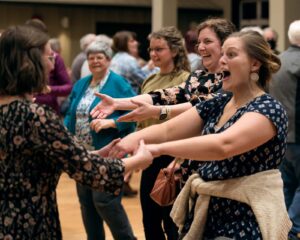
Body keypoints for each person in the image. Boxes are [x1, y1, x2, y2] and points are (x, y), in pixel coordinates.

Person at [108, 30, 291, 239]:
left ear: (255, 64)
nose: (222, 61)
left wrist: (158, 149)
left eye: (231, 55)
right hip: (207, 213)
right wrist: (124, 144)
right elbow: (168, 129)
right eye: (222, 54)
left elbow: (222, 145)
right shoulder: (219, 102)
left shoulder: (268, 108)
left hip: (245, 220)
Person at [0, 25, 152, 239]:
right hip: (29, 223)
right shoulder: (35, 116)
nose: (53, 65)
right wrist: (136, 161)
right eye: (49, 57)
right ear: (29, 63)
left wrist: (96, 154)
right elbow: (84, 168)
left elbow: (49, 160)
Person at [90, 18, 235, 123]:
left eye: (207, 41)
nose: (200, 47)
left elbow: (200, 106)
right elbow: (162, 96)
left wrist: (156, 111)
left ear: (226, 44)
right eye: (199, 42)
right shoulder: (198, 76)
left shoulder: (233, 80)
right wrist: (116, 103)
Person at [64, 40, 137, 240]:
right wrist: (64, 132)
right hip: (82, 153)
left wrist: (112, 123)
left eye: (99, 57)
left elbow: (134, 112)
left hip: (109, 151)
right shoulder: (81, 83)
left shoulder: (118, 83)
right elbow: (71, 113)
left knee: (105, 202)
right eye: (91, 57)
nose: (95, 61)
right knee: (86, 203)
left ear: (108, 60)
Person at [135, 26, 190, 240]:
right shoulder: (149, 80)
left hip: (173, 156)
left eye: (159, 49)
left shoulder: (186, 80)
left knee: (171, 221)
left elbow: (189, 123)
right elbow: (141, 121)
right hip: (149, 155)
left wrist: (179, 159)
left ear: (174, 51)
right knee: (149, 219)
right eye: (151, 49)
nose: (153, 54)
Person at [269, 20, 300, 240]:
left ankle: (283, 228)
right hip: (298, 135)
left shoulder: (275, 61)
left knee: (287, 185)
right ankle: (292, 227)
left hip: (278, 135)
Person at [25, 18, 73, 115]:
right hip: (24, 109)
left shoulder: (54, 57)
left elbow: (68, 87)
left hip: (47, 110)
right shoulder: (20, 57)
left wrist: (49, 89)